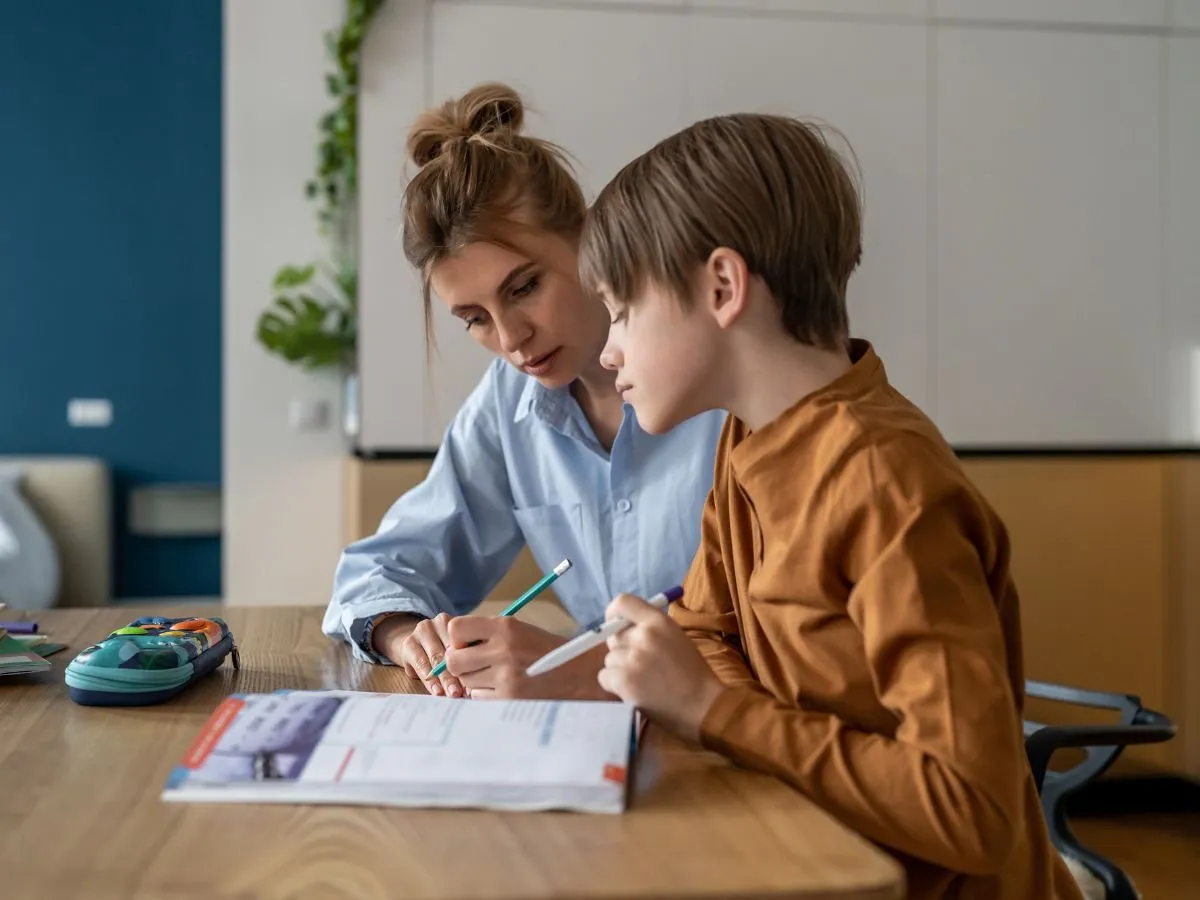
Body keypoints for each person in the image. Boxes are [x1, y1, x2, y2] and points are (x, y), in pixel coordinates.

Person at [577, 113, 1086, 899]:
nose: (607, 351)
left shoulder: (884, 481)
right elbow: (707, 631)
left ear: (722, 287)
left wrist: (712, 710)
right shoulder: (744, 437)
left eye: (621, 310)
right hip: (805, 859)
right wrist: (703, 696)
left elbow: (973, 812)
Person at [321, 83, 725, 702]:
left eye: (524, 287)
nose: (512, 339)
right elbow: (381, 570)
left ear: (591, 240)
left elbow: (780, 641)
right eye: (474, 318)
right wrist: (407, 635)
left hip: (734, 736)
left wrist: (581, 669)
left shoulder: (722, 383)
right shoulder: (511, 401)